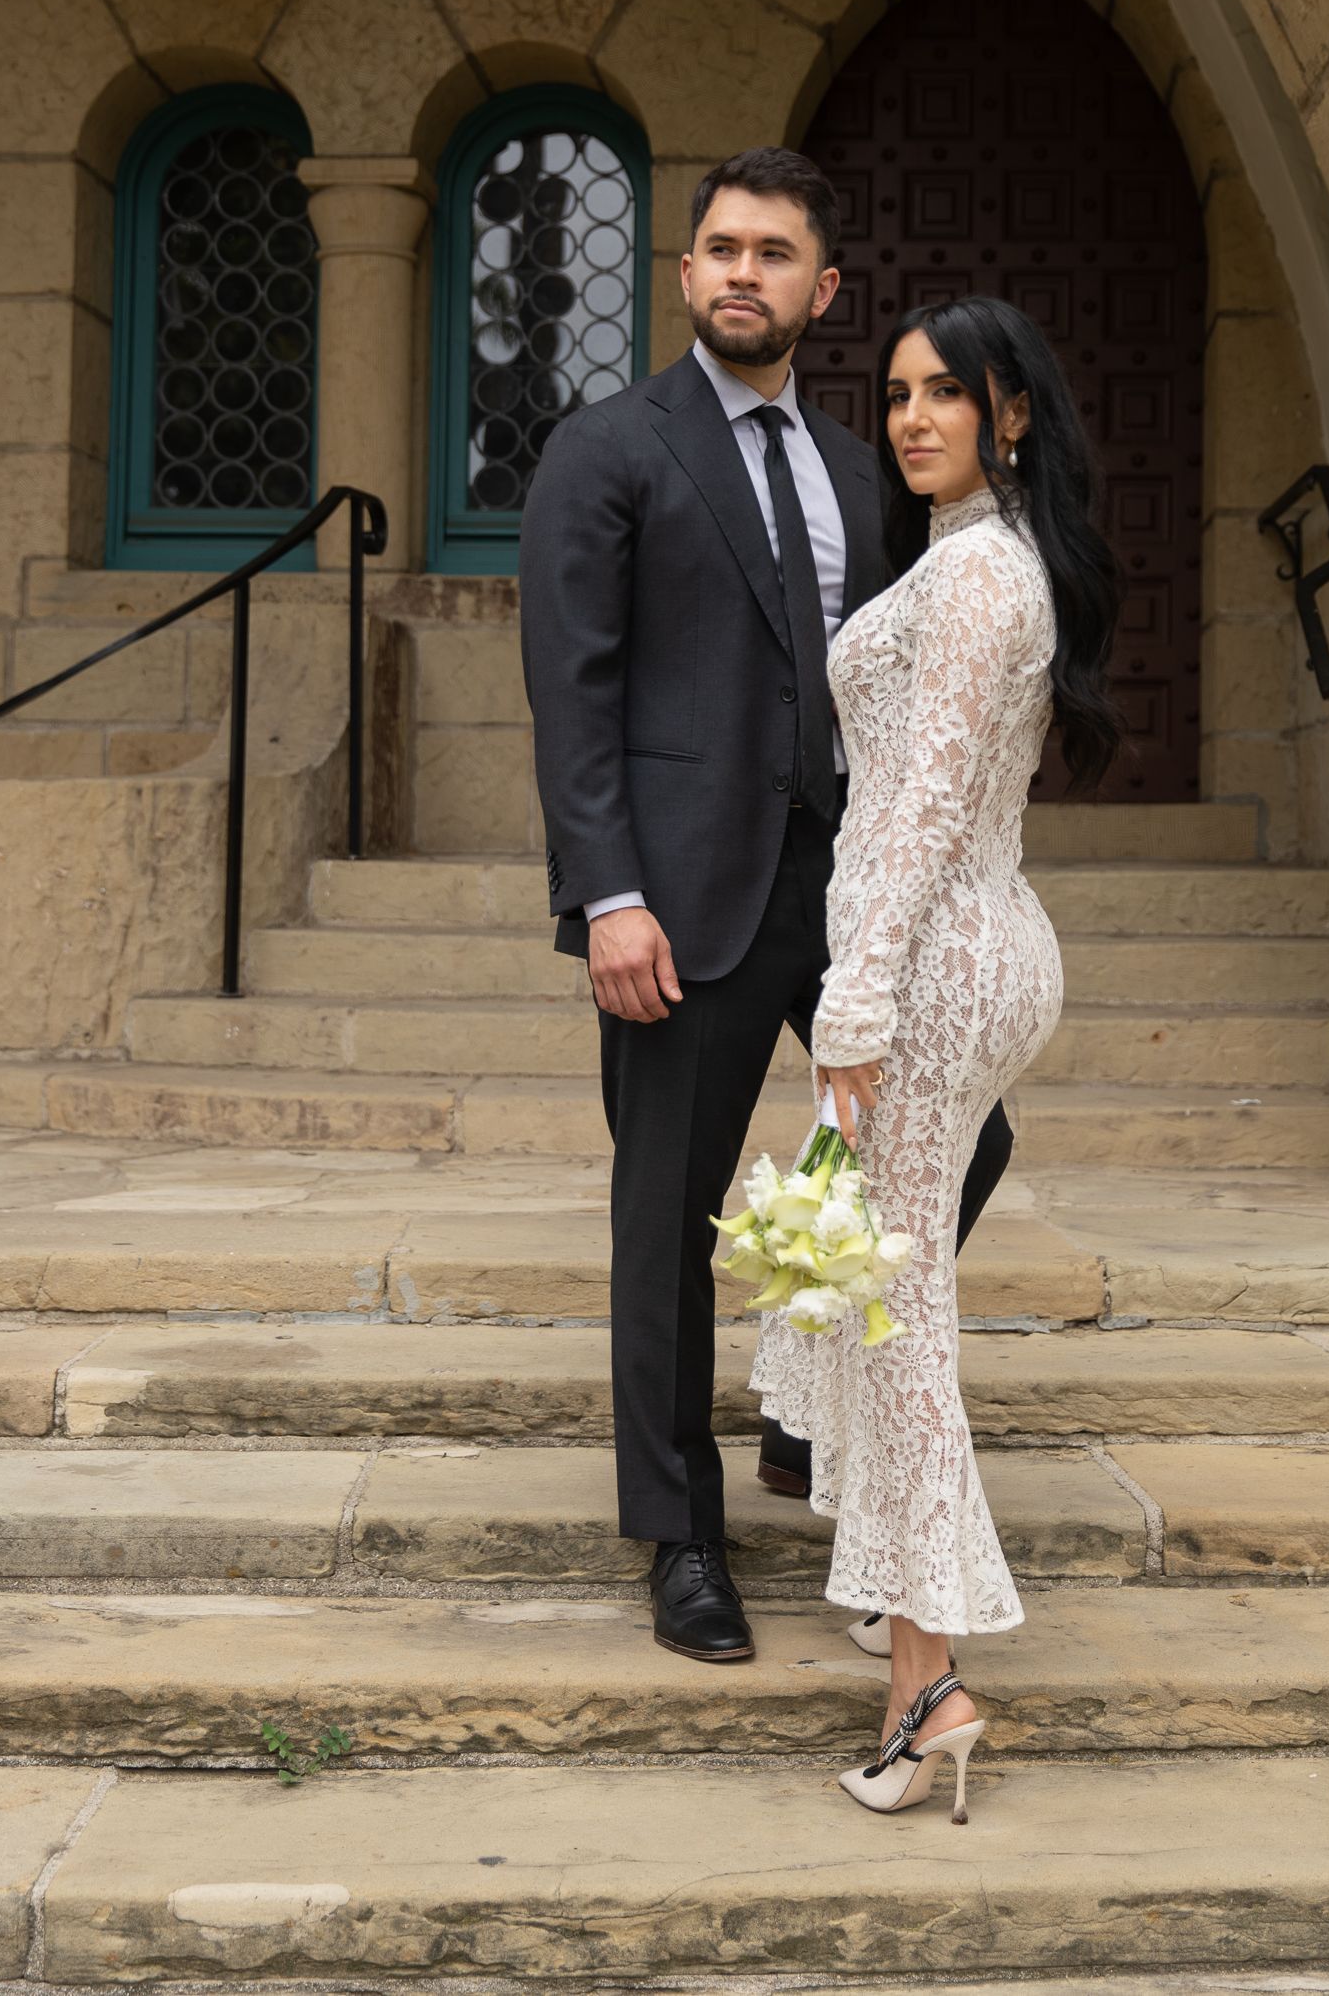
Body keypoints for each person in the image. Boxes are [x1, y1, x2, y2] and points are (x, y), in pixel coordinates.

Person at [518, 148, 1015, 1664]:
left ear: (824, 289)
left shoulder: (870, 472)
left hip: (842, 883)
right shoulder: (609, 449)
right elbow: (571, 694)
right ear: (684, 277)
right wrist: (607, 894)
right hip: (678, 894)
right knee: (667, 1212)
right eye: (722, 247)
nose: (745, 271)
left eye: (776, 252)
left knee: (957, 1141)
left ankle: (800, 1401)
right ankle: (681, 1537)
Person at [754, 295, 1122, 1819]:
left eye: (944, 395)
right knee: (872, 1303)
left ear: (1009, 412)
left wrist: (852, 1008)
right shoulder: (983, 559)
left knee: (897, 1321)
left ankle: (931, 1680)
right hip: (954, 950)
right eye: (896, 392)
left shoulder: (977, 577)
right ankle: (898, 1602)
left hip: (933, 967)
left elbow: (913, 814)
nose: (910, 417)